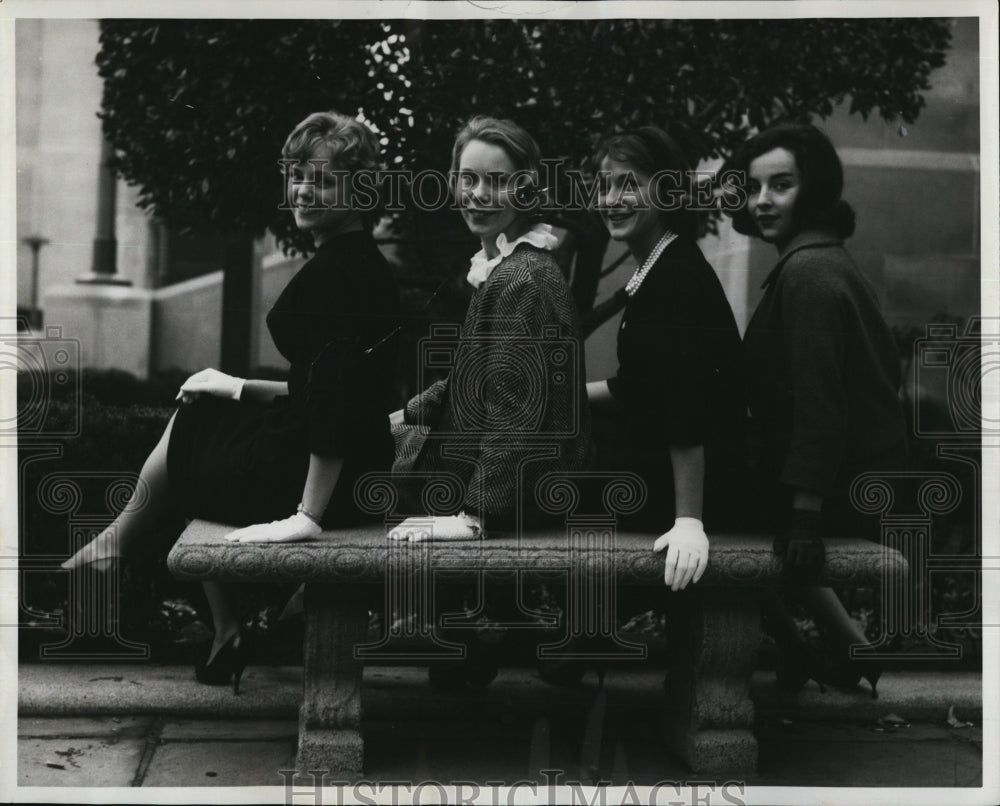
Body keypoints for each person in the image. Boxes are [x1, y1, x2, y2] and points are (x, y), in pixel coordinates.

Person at [62, 110, 401, 693]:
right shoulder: (361, 264)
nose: (302, 189)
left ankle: (120, 552)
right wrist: (238, 386)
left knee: (195, 430)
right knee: (208, 413)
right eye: (297, 174)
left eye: (321, 179)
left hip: (326, 483)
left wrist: (307, 518)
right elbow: (328, 390)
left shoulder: (335, 276)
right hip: (362, 468)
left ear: (360, 190)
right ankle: (213, 622)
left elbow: (335, 405)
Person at [388, 116, 593, 688]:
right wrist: (403, 415)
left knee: (363, 496)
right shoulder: (507, 266)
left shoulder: (522, 277)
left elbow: (513, 408)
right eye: (468, 178)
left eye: (497, 181)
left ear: (526, 188)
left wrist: (475, 517)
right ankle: (487, 629)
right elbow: (468, 381)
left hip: (527, 493)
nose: (479, 194)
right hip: (518, 484)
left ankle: (484, 629)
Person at [726, 122, 908, 697]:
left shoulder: (808, 274)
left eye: (780, 185)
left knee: (690, 508)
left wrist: (804, 516)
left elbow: (820, 406)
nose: (762, 202)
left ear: (815, 189)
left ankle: (800, 644)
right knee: (704, 504)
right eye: (754, 187)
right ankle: (832, 644)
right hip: (838, 481)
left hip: (832, 494)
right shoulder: (820, 262)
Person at [589, 126, 745, 591]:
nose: (612, 199)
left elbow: (686, 406)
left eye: (629, 184)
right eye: (604, 185)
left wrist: (688, 521)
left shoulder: (675, 278)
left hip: (704, 489)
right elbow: (639, 385)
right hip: (680, 475)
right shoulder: (660, 264)